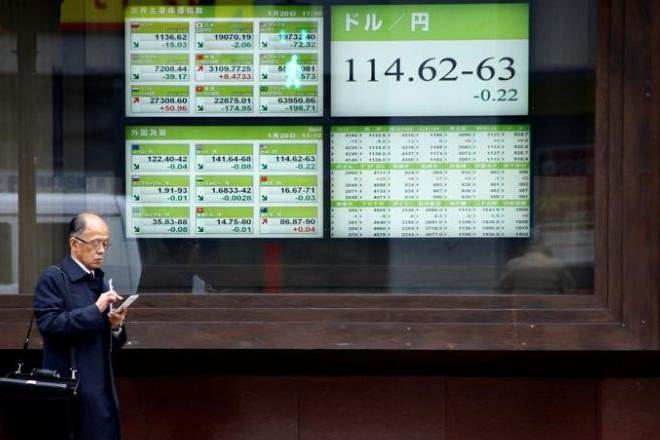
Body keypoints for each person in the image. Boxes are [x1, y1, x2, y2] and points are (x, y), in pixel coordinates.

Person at [34, 213, 128, 440]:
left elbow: (107, 342)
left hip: (101, 388)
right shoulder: (54, 278)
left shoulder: (98, 280)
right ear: (74, 244)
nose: (101, 250)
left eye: (105, 244)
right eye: (95, 243)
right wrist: (96, 309)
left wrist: (115, 327)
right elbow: (49, 325)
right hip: (70, 389)